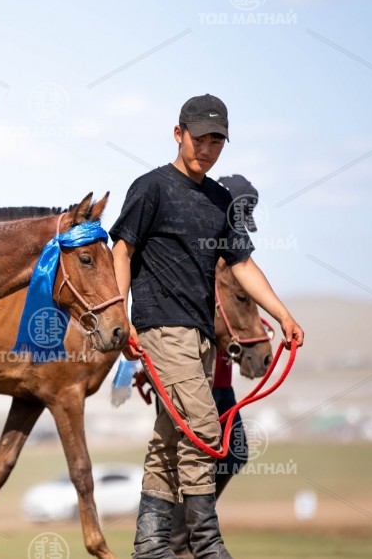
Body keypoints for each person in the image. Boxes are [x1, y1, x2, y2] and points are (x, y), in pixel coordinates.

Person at [110, 95, 305, 559]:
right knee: (204, 431)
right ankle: (207, 544)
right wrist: (122, 318)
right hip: (159, 326)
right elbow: (122, 250)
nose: (208, 147)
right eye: (200, 138)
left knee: (168, 439)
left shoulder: (219, 200)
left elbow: (242, 264)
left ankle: (151, 547)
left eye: (217, 140)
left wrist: (282, 314)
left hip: (200, 338)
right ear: (178, 134)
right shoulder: (151, 187)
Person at [168, 174, 262, 559]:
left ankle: (188, 536)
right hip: (188, 369)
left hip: (218, 375)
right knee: (186, 458)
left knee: (233, 450)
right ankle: (179, 543)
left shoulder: (230, 256)